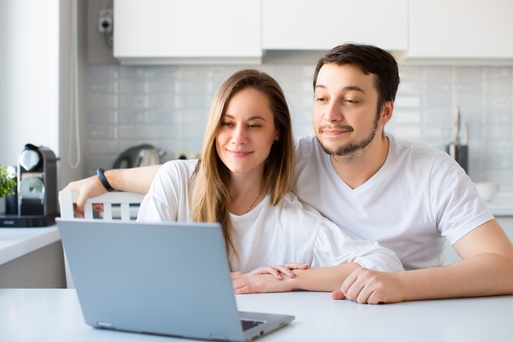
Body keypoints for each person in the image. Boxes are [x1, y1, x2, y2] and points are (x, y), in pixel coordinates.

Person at [63, 43, 513, 304]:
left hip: (413, 313)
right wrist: (107, 180)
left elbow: (504, 269)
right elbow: (205, 169)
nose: (331, 115)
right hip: (337, 311)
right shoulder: (295, 157)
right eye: (321, 98)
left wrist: (397, 284)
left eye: (351, 100)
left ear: (386, 110)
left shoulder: (433, 173)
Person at [97, 69, 404, 294]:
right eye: (227, 124)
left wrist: (286, 281)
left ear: (277, 133)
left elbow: (384, 263)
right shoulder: (176, 180)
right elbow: (140, 273)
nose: (238, 138)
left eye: (255, 125)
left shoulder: (292, 218)